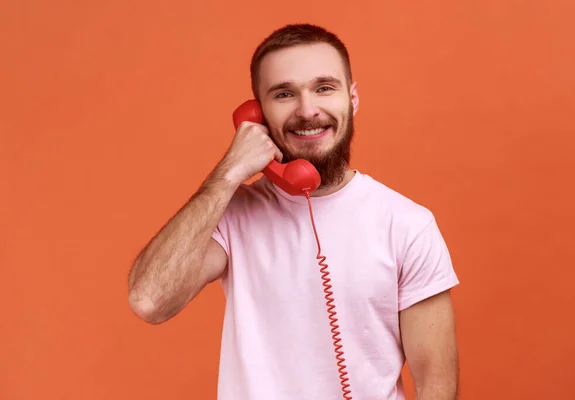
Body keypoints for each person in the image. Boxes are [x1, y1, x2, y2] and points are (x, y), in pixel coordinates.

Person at [128, 23, 460, 400]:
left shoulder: (407, 225)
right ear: (257, 115)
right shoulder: (233, 215)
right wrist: (228, 173)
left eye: (324, 88)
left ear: (352, 98)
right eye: (284, 94)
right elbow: (149, 301)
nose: (307, 110)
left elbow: (436, 383)